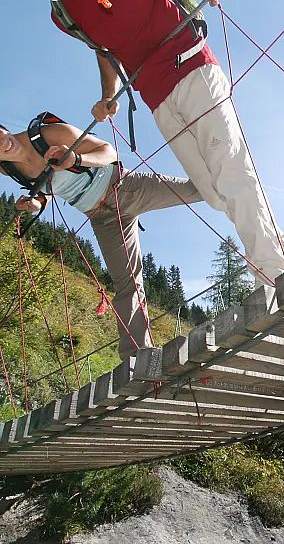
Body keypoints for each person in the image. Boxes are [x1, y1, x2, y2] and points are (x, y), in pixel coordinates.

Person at [0, 0, 284, 287]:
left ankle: (276, 276)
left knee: (230, 169)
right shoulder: (64, 15)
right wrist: (108, 94)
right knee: (213, 191)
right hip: (155, 97)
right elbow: (105, 49)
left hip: (192, 66)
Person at [0, 115, 202, 360]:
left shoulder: (46, 134)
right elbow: (51, 189)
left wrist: (76, 159)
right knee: (127, 283)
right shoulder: (10, 169)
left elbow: (108, 152)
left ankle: (235, 183)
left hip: (125, 188)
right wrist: (37, 202)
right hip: (102, 219)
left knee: (196, 190)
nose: (3, 144)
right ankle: (138, 357)